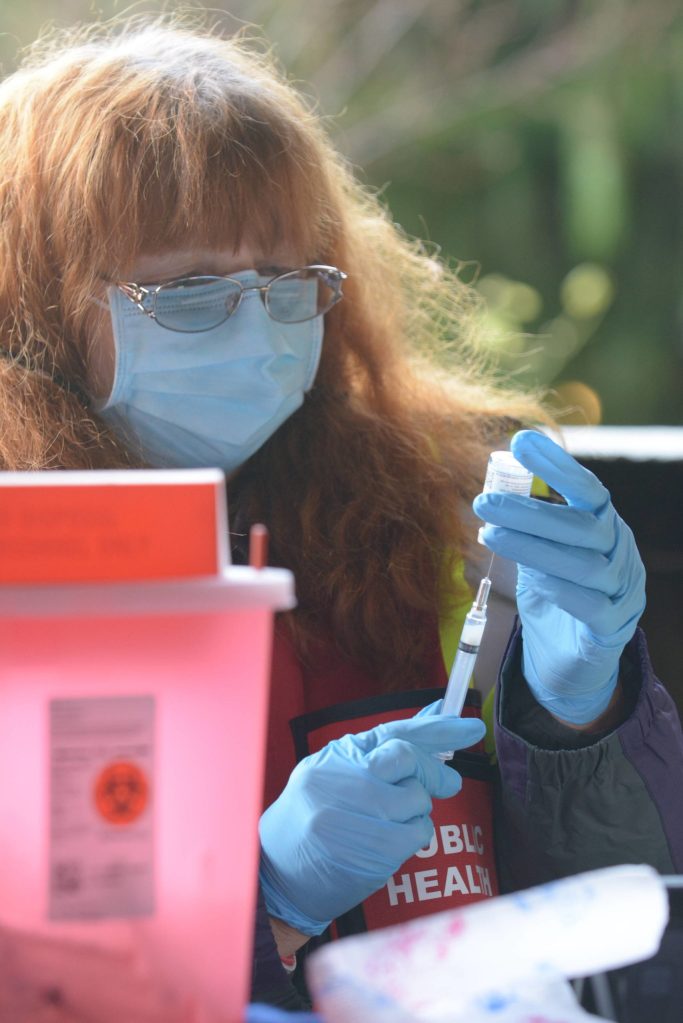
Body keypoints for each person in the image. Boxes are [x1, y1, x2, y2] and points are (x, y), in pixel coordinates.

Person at [0, 15, 680, 1018]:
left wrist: (574, 711)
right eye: (187, 292)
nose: (255, 331)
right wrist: (262, 900)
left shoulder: (421, 513)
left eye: (284, 284)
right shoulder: (29, 581)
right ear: (37, 309)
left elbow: (613, 923)